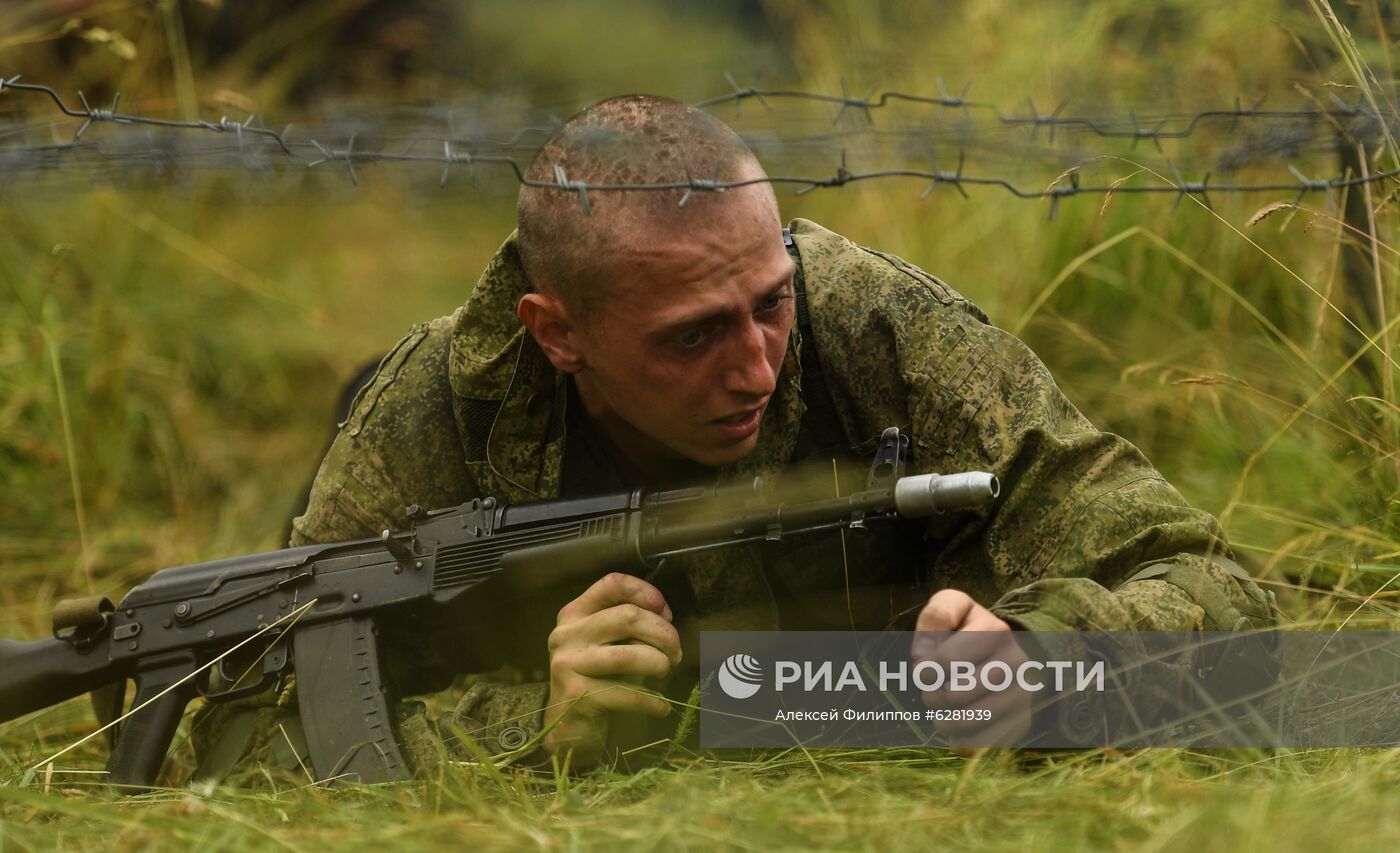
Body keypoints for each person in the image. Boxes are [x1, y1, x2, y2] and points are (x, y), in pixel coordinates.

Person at [193, 95, 1276, 779]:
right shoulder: (431, 410)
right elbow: (242, 733)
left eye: (768, 303)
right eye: (692, 335)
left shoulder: (880, 333)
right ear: (556, 331)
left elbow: (1222, 597)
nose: (755, 366)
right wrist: (532, 729)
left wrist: (1043, 667)